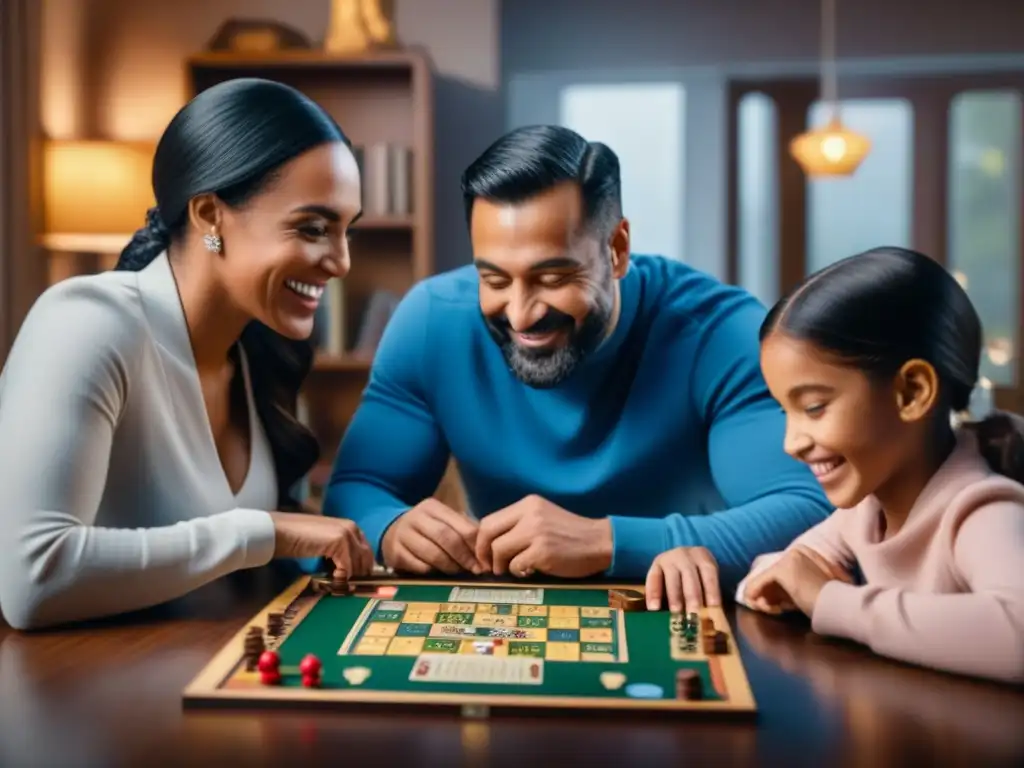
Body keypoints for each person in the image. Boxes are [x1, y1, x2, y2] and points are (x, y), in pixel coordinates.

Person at [324, 124, 831, 606]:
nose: (522, 313)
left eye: (552, 277)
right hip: (501, 617)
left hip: (678, 615)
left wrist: (605, 542)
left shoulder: (721, 331)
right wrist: (388, 527)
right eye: (495, 280)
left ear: (617, 250)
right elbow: (356, 490)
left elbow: (808, 511)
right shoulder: (431, 321)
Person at [0, 78, 375, 631]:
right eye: (313, 228)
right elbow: (31, 579)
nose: (341, 262)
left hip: (194, 685)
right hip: (75, 703)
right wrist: (266, 532)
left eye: (347, 231)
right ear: (208, 215)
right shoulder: (86, 320)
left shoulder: (254, 347)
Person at [731, 246, 1024, 684]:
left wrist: (832, 603)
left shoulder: (981, 513)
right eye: (784, 411)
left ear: (912, 392)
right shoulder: (864, 510)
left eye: (813, 407)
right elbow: (781, 572)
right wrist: (788, 581)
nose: (791, 443)